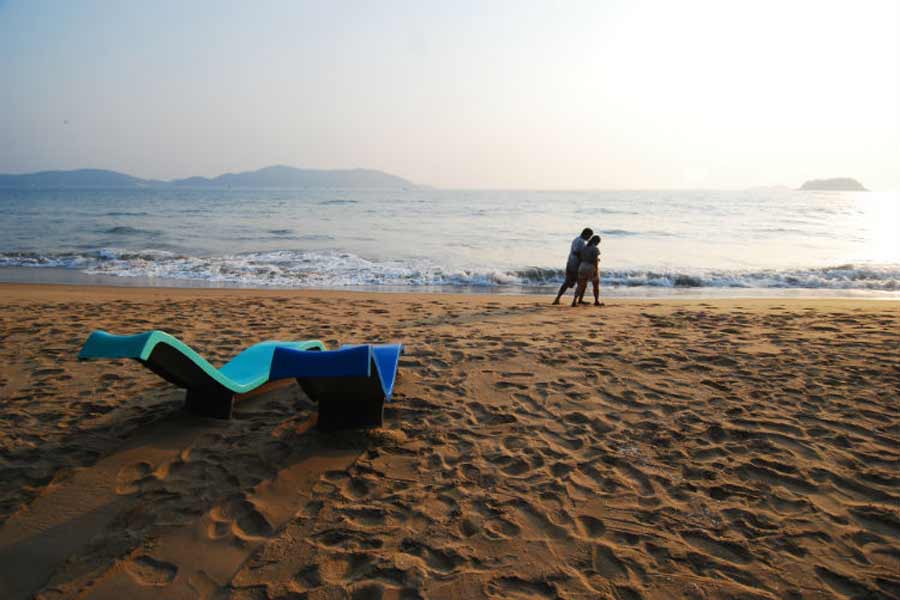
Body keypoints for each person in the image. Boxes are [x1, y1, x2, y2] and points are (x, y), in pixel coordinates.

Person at [552, 228, 593, 305]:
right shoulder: (581, 241)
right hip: (575, 265)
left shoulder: (576, 239)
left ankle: (557, 299)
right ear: (586, 234)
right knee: (580, 283)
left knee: (568, 282)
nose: (589, 238)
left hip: (571, 262)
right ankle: (577, 300)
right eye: (590, 236)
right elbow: (577, 253)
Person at [572, 235, 602, 307]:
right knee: (595, 285)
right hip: (591, 267)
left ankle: (574, 301)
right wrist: (596, 270)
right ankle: (596, 301)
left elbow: (580, 257)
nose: (598, 244)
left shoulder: (584, 248)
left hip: (582, 266)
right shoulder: (595, 249)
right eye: (598, 242)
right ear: (596, 242)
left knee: (580, 285)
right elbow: (595, 261)